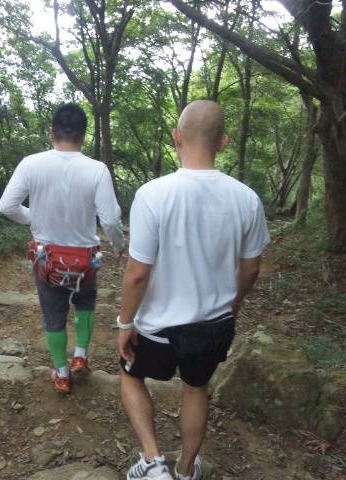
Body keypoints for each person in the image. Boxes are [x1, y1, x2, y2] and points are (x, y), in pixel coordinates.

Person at [117, 100, 270, 480]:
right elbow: (251, 268)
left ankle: (153, 462)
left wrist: (125, 323)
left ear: (177, 137)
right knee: (195, 390)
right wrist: (234, 303)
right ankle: (186, 470)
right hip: (213, 324)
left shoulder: (153, 194)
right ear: (223, 142)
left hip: (157, 325)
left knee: (131, 377)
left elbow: (137, 274)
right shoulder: (246, 199)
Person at [0, 102, 124, 395]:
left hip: (47, 259)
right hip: (85, 260)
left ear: (52, 132)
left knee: (53, 315)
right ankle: (80, 355)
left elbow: (7, 206)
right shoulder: (97, 170)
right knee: (85, 304)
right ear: (83, 135)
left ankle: (62, 373)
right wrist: (118, 245)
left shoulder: (31, 164)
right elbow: (110, 219)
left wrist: (34, 217)